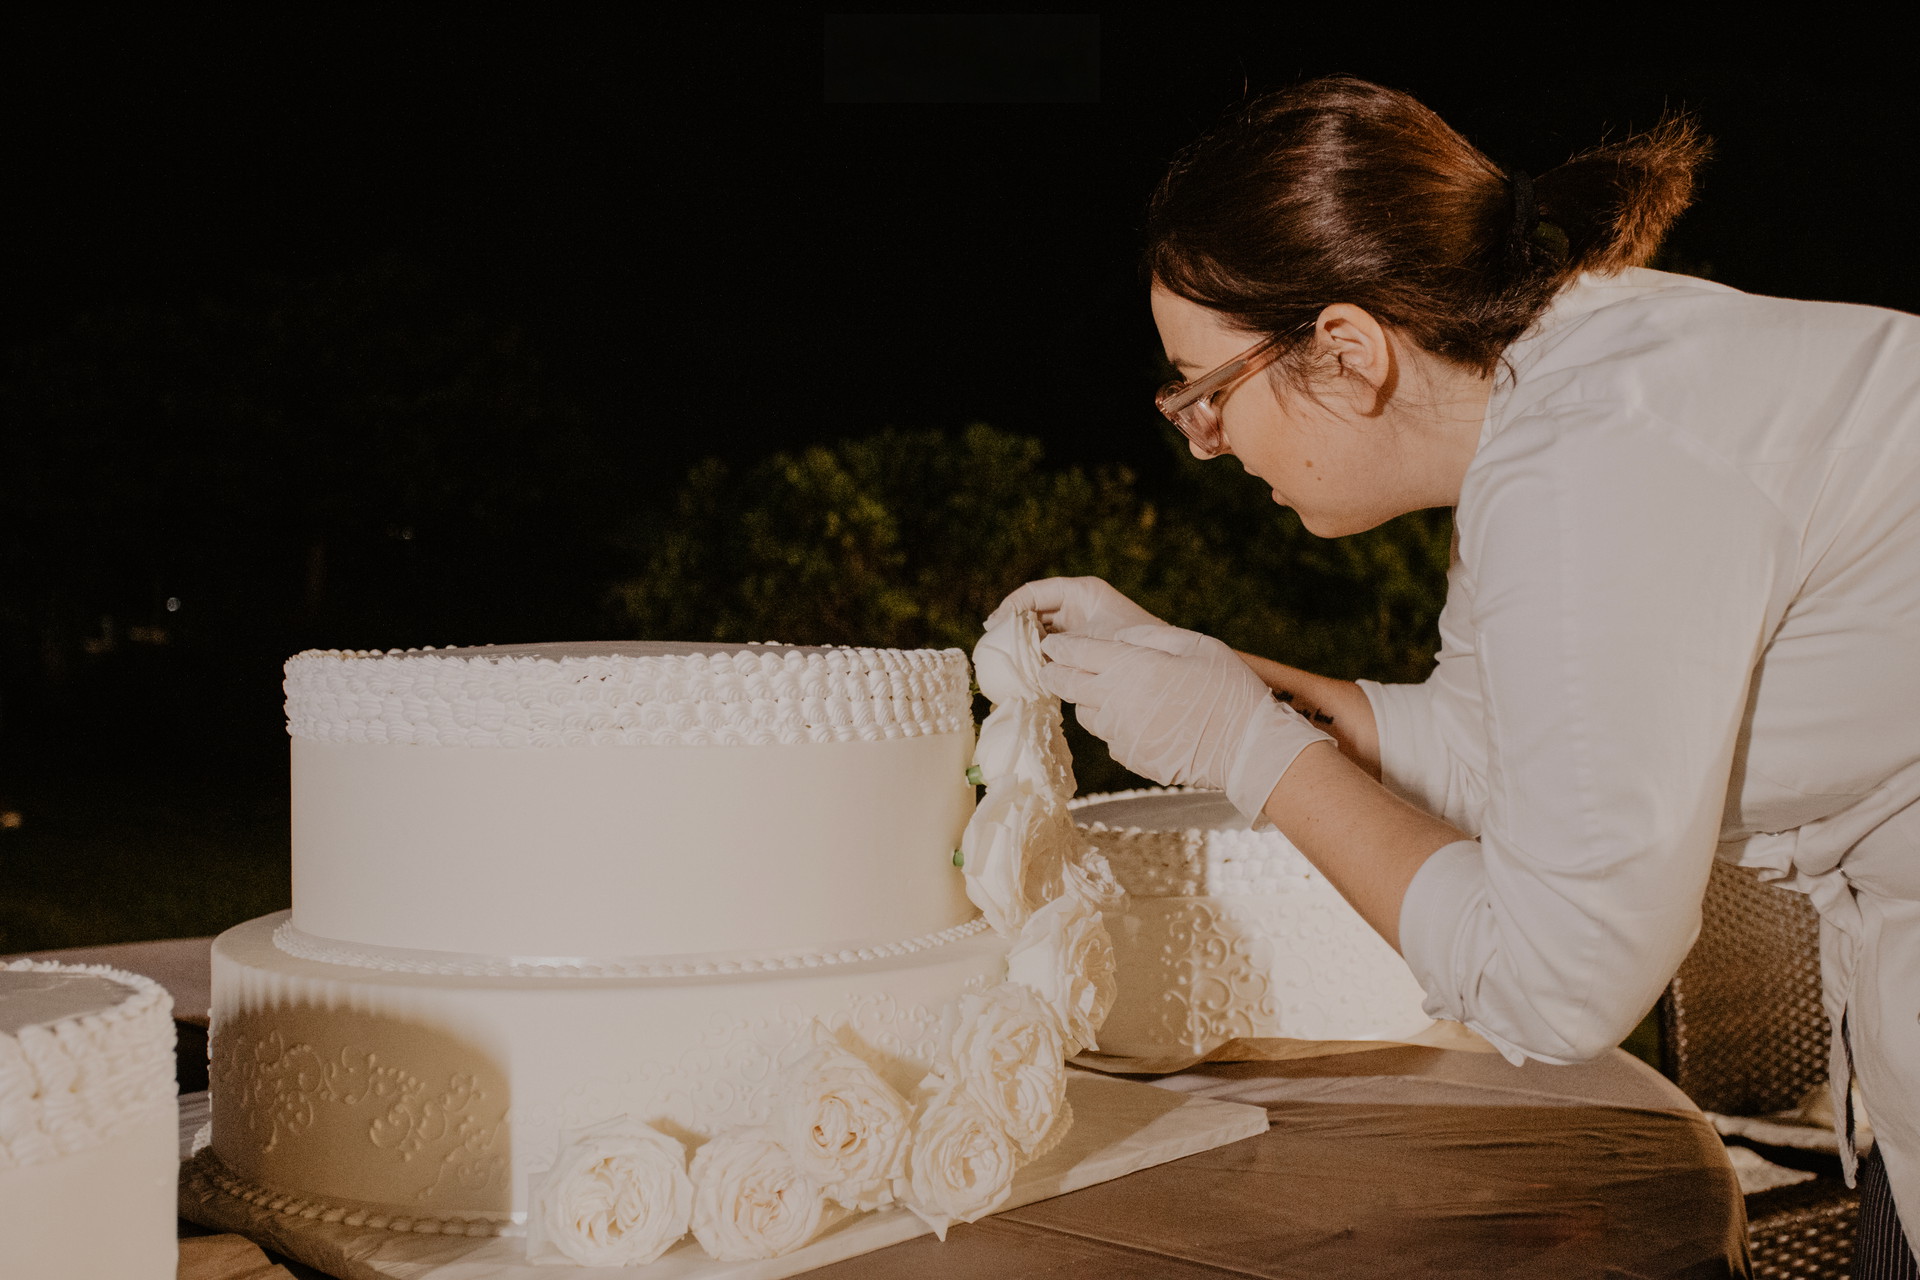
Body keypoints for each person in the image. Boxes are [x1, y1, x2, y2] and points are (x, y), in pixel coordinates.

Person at [990, 76, 1920, 1274]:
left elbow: (1558, 984)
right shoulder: (1551, 395)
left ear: (1344, 349)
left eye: (1207, 393)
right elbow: (1493, 742)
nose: (1206, 442)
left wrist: (1248, 749)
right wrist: (1218, 678)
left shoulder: (1586, 467)